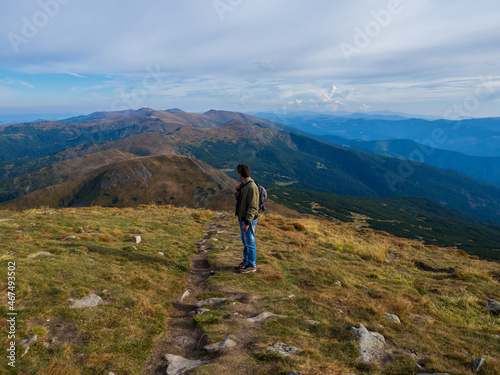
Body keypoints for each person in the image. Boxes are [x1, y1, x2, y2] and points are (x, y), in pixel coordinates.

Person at [234, 164, 259, 273]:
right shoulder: (244, 185)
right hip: (243, 218)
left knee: (250, 242)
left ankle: (252, 265)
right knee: (245, 241)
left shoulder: (252, 187)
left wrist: (247, 222)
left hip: (247, 220)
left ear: (240, 174)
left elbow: (253, 207)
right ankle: (246, 261)